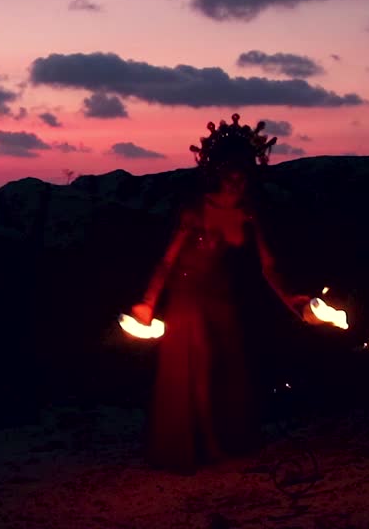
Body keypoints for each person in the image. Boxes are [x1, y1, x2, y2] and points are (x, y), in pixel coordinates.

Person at [131, 114, 311, 472]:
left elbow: (268, 265)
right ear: (217, 172)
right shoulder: (195, 211)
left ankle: (228, 437)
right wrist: (147, 303)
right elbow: (166, 262)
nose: (236, 181)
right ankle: (206, 444)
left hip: (220, 295)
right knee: (201, 364)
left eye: (242, 174)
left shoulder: (247, 213)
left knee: (229, 365)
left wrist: (292, 300)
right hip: (188, 295)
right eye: (230, 173)